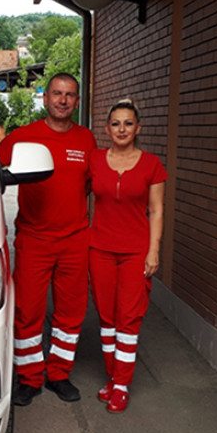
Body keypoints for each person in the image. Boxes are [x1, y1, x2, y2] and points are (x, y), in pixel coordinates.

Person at [0, 73, 97, 406]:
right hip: (34, 239)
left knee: (71, 312)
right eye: (57, 93)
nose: (63, 100)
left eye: (69, 95)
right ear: (45, 98)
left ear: (77, 102)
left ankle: (59, 374)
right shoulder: (23, 137)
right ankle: (29, 377)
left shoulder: (86, 139)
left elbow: (87, 185)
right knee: (27, 310)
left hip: (74, 240)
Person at [88, 98, 168, 413]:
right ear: (107, 129)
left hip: (136, 251)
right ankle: (112, 376)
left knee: (129, 317)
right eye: (116, 124)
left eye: (128, 123)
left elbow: (157, 211)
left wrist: (153, 250)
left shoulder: (151, 164)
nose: (122, 129)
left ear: (138, 128)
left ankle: (122, 385)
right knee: (106, 317)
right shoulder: (95, 160)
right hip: (100, 249)